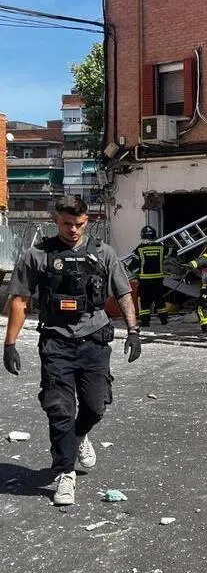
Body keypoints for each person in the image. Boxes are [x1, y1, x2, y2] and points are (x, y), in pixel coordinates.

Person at [2, 196, 142, 506]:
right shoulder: (37, 255)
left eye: (79, 224)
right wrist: (9, 343)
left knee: (94, 406)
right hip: (56, 341)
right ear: (56, 220)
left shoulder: (103, 253)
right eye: (67, 224)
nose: (73, 230)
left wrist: (133, 331)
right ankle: (65, 472)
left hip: (94, 341)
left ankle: (79, 436)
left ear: (87, 220)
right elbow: (20, 300)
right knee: (59, 408)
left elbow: (123, 292)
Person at [127, 224, 171, 327]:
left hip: (145, 281)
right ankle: (164, 320)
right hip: (158, 280)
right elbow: (172, 252)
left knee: (144, 302)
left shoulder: (140, 249)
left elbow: (133, 266)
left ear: (142, 236)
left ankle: (145, 322)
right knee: (160, 300)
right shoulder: (161, 247)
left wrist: (129, 269)